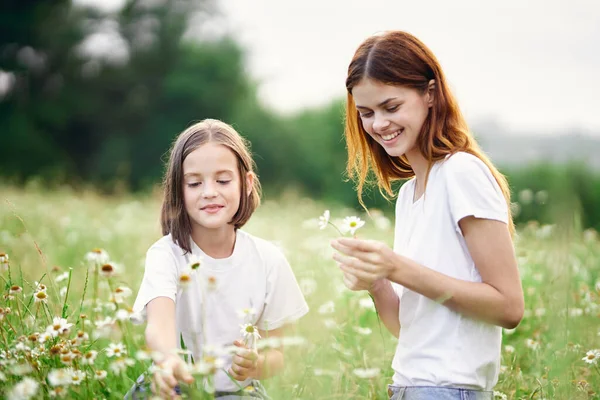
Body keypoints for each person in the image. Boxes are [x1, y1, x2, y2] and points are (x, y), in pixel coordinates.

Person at [330, 31, 524, 400]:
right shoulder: (409, 195)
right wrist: (376, 282)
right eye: (366, 113)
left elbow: (509, 306)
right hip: (408, 385)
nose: (378, 124)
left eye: (391, 107)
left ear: (430, 94)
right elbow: (411, 331)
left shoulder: (461, 172)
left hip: (448, 390)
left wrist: (396, 268)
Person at [128, 119, 309, 399]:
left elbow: (279, 354)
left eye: (223, 180)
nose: (209, 191)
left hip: (238, 392)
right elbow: (158, 325)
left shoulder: (269, 260)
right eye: (194, 183)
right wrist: (168, 360)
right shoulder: (165, 255)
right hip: (174, 385)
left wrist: (256, 365)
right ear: (179, 189)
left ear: (246, 183)